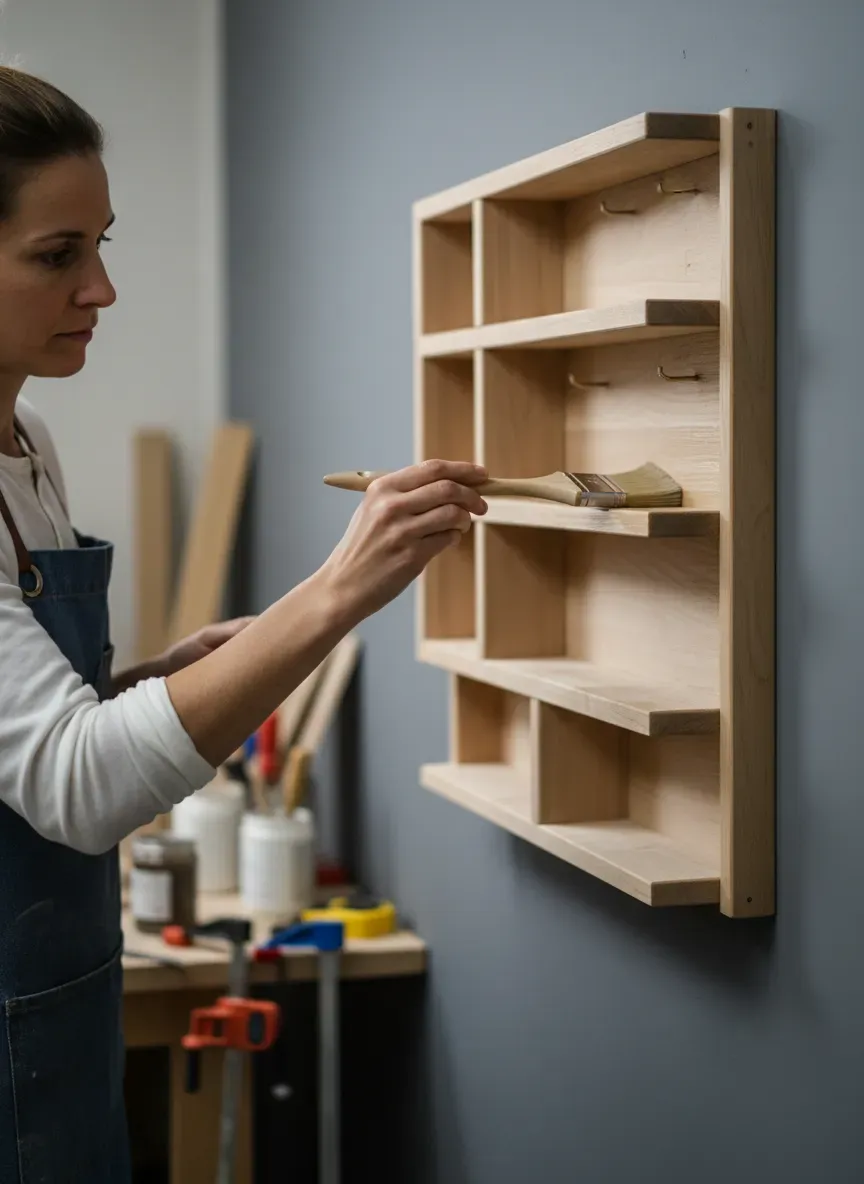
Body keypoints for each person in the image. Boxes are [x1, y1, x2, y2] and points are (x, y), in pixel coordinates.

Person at [0, 64, 488, 1182]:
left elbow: (31, 739)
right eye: (57, 254)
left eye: (102, 243)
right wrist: (335, 592)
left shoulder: (28, 445)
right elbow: (77, 789)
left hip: (59, 988)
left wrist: (153, 678)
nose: (103, 288)